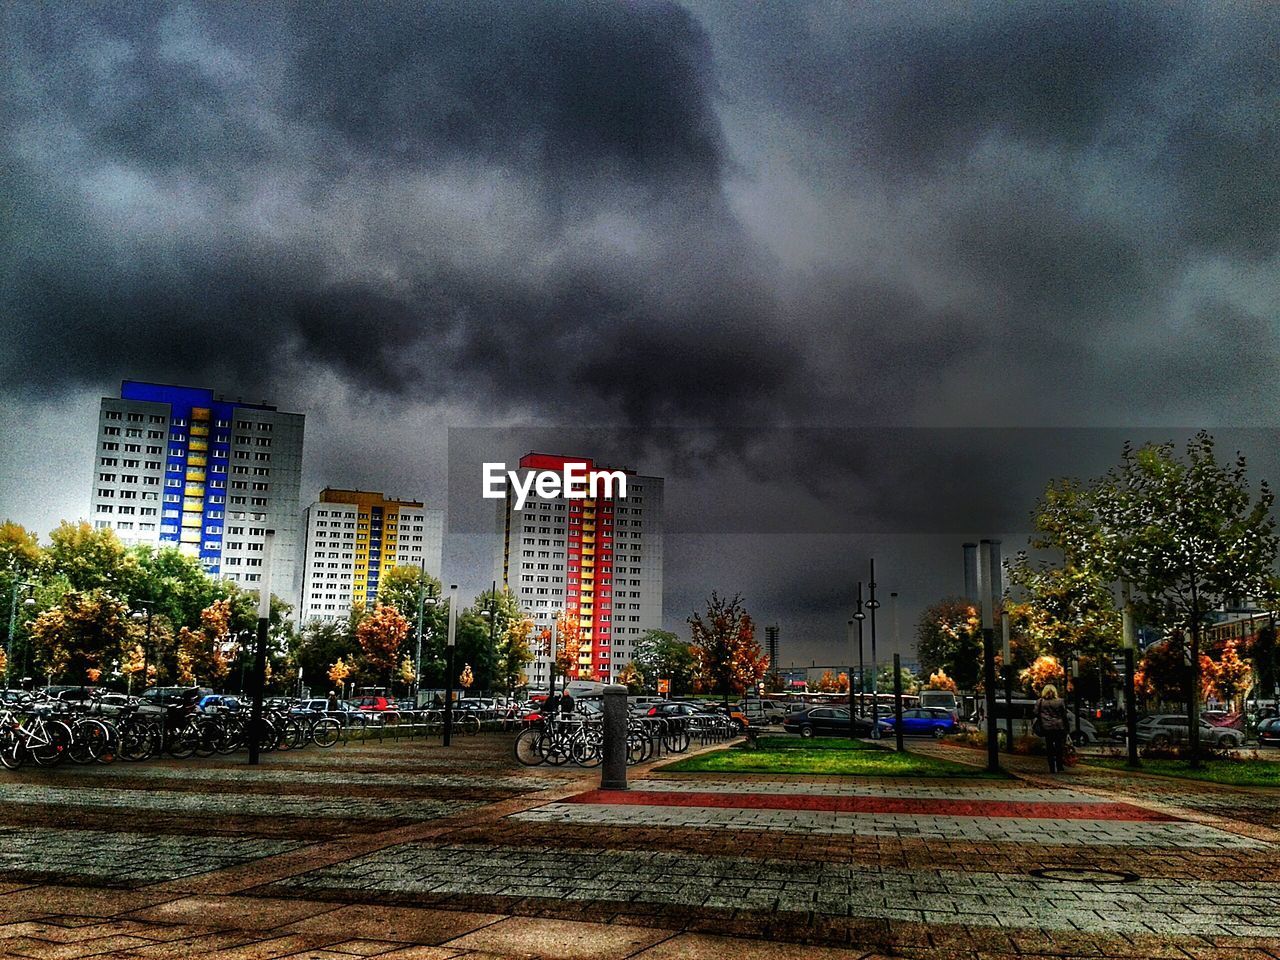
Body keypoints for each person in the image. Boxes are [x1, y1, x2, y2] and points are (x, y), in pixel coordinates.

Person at [1035, 684, 1070, 773]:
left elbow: (1035, 712)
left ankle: (1051, 767)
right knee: (1059, 746)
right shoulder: (1060, 701)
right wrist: (1066, 727)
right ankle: (1059, 766)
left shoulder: (1040, 702)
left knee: (1049, 747)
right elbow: (1064, 715)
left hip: (1046, 727)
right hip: (1059, 726)